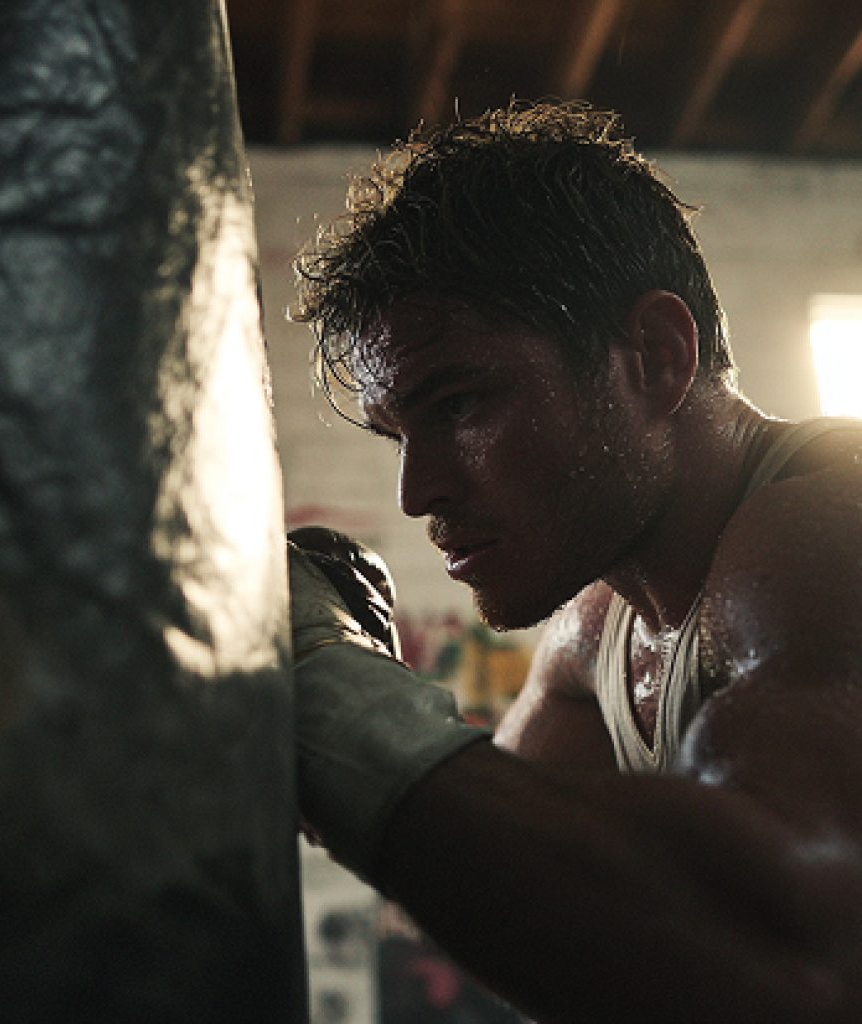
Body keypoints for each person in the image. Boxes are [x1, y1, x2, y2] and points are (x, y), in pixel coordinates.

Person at [284, 101, 862, 1022]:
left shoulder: (826, 533)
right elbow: (507, 894)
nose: (417, 492)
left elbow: (784, 960)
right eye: (398, 434)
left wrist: (328, 691)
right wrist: (348, 684)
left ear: (656, 357)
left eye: (461, 404)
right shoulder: (597, 635)